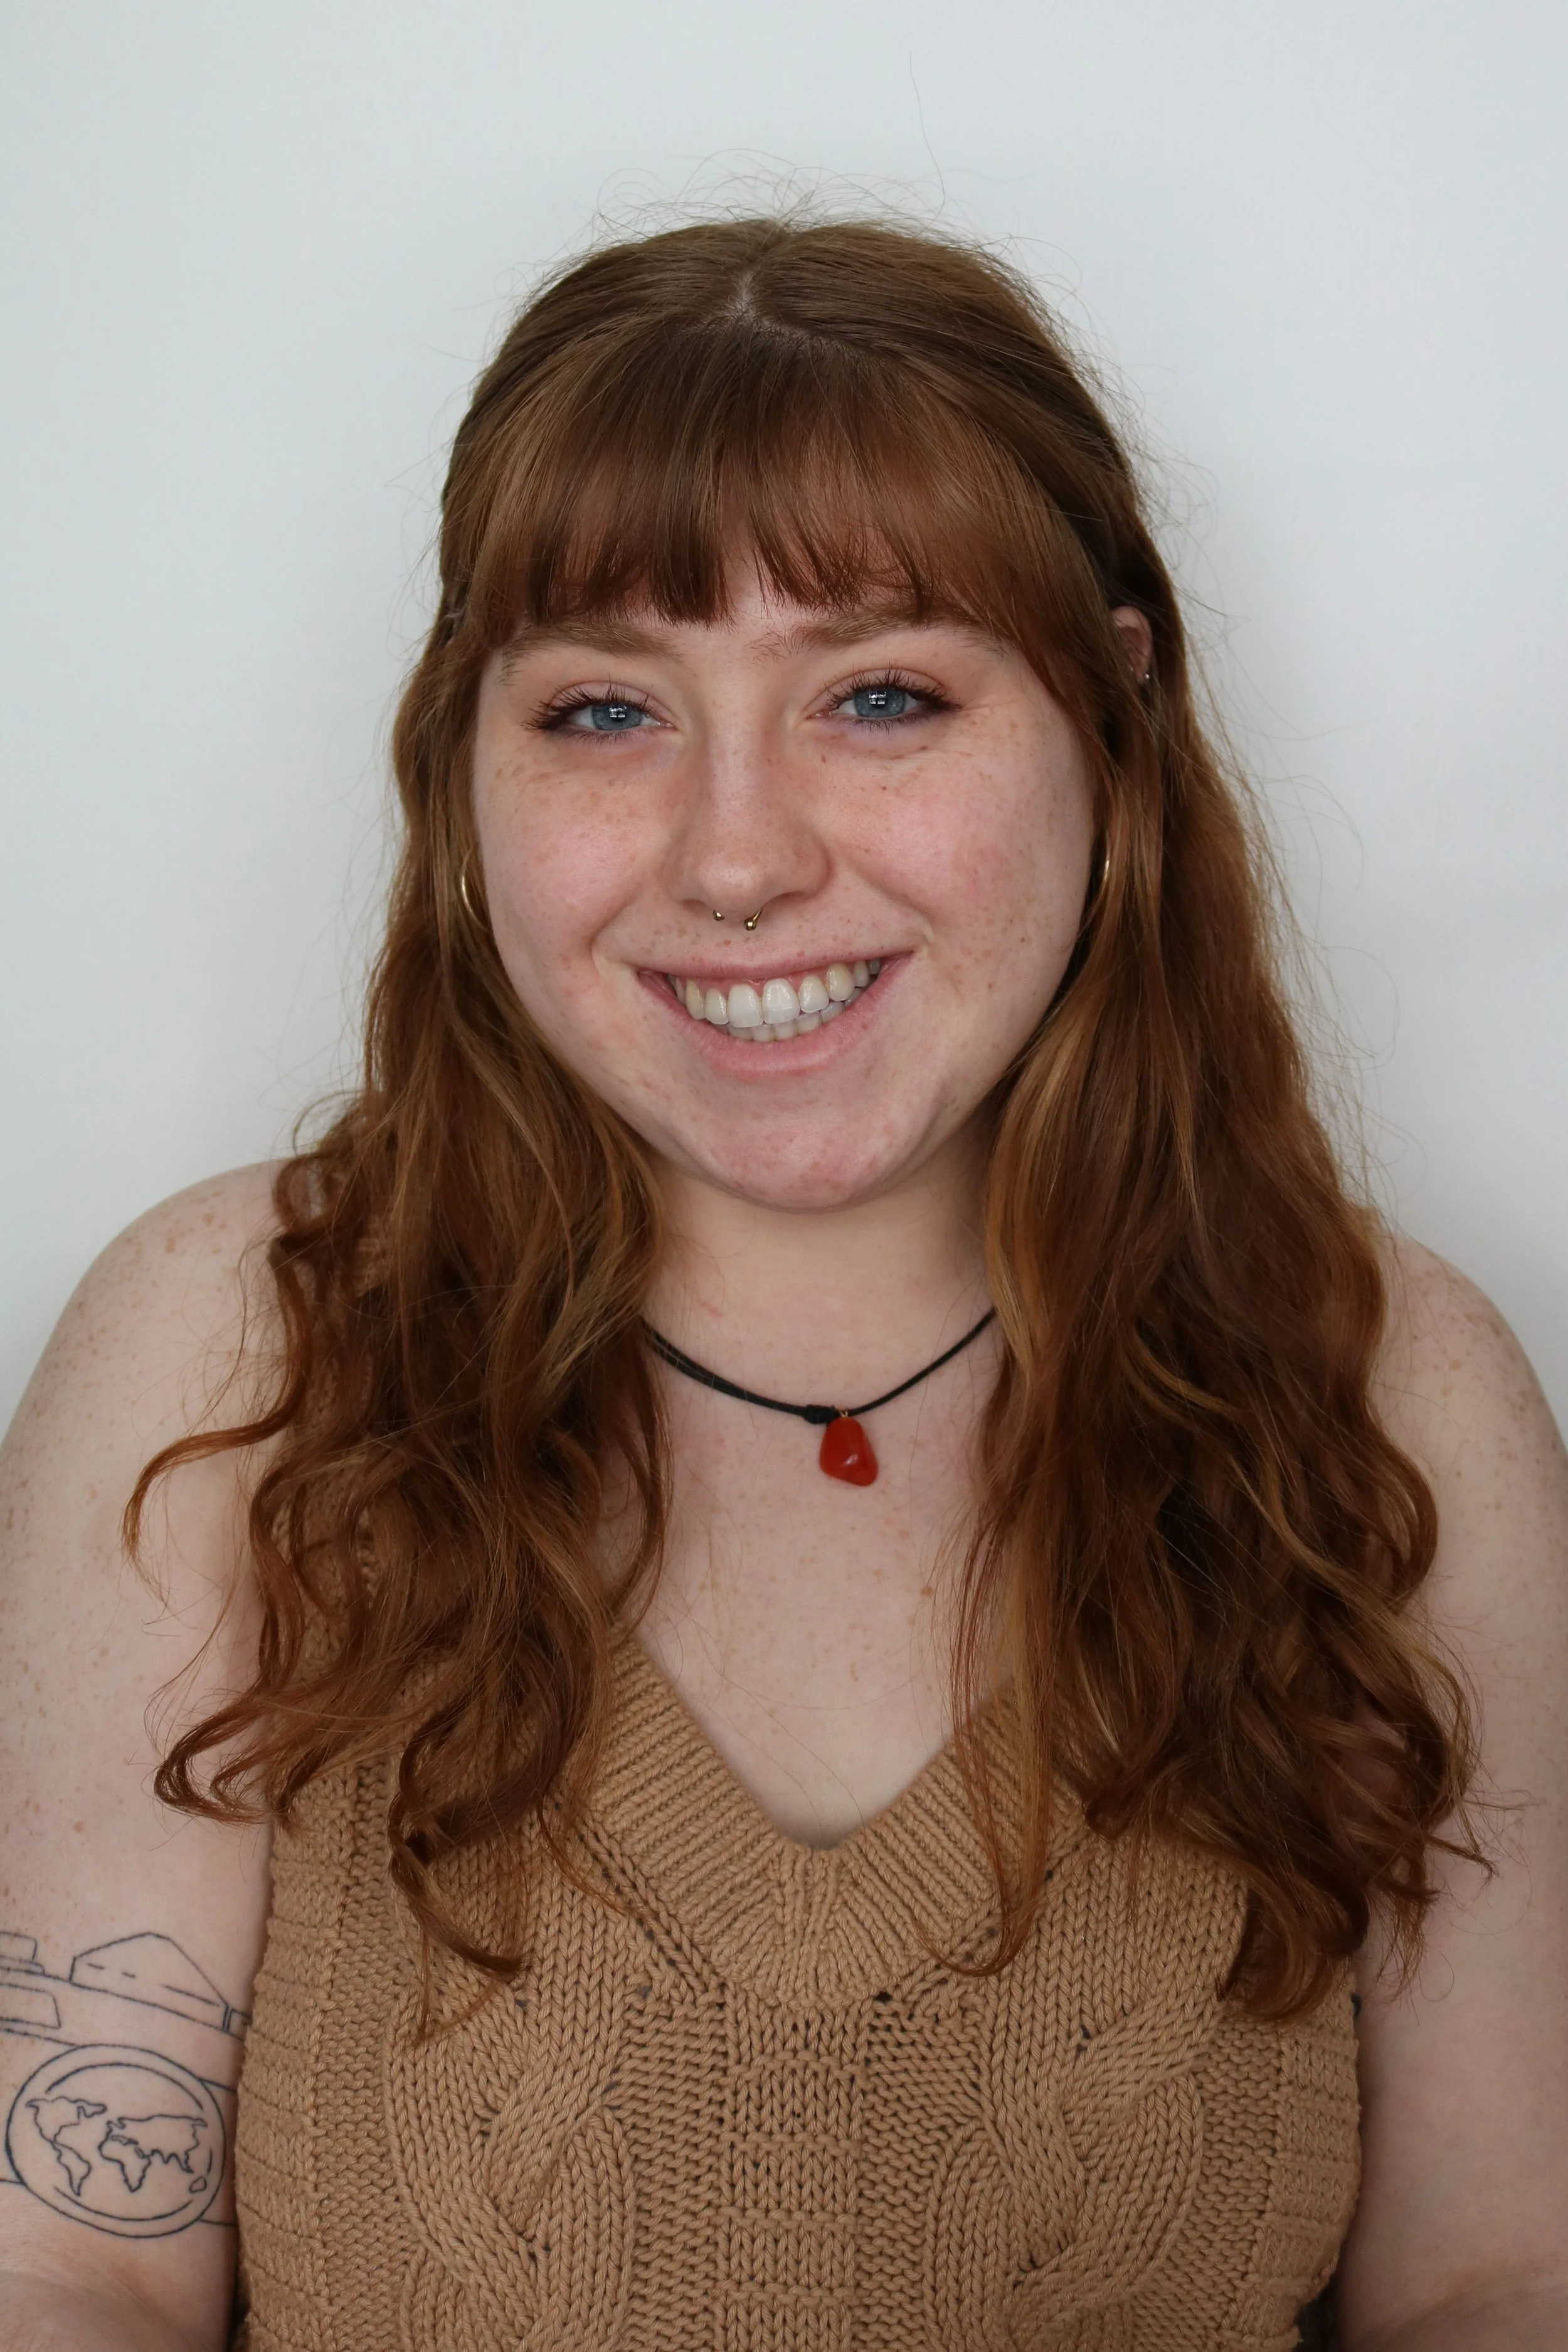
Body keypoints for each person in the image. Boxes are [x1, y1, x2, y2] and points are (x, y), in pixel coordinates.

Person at [1, 214, 1564, 2352]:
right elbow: (63, 2260)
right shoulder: (235, 1344)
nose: (736, 857)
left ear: (1112, 715)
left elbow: (1499, 2277)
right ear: (469, 772)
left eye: (883, 693)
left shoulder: (1391, 1390)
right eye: (608, 707)